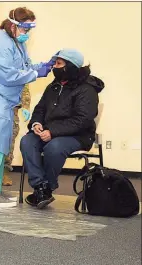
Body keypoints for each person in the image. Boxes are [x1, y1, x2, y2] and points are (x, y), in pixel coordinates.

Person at [0, 7, 54, 208]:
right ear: (13, 25)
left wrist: (43, 65)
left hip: (3, 101)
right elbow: (8, 76)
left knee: (1, 145)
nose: (27, 34)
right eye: (24, 29)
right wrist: (36, 73)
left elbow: (24, 67)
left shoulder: (16, 42)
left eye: (29, 29)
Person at [20, 49, 104, 208]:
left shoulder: (87, 89)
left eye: (59, 64)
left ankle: (48, 187)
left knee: (54, 147)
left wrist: (52, 132)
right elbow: (40, 109)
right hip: (48, 131)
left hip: (78, 135)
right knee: (27, 141)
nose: (54, 67)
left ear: (70, 67)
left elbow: (82, 120)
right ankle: (40, 187)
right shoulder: (53, 86)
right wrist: (36, 124)